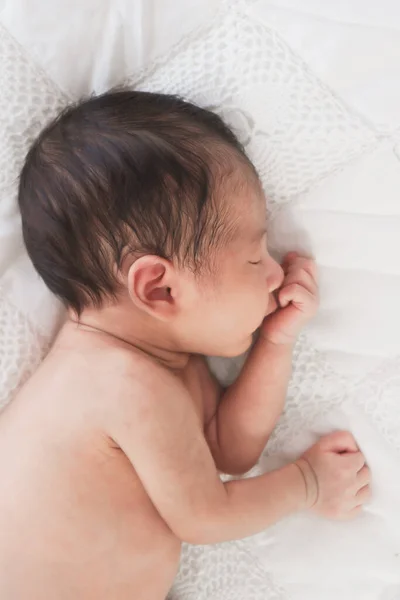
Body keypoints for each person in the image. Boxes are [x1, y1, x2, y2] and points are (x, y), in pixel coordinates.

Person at [0, 91, 370, 599]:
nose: (274, 271)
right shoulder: (114, 382)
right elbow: (205, 516)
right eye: (253, 257)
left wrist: (275, 343)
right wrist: (306, 482)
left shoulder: (160, 362)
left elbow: (229, 449)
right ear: (160, 288)